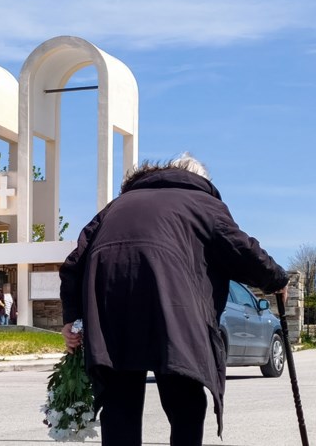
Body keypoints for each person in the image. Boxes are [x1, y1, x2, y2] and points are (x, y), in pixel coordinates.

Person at [59, 153, 288, 446]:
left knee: (120, 405)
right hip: (174, 310)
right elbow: (242, 249)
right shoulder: (202, 203)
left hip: (111, 312)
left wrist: (72, 318)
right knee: (185, 402)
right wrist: (276, 279)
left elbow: (74, 263)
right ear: (201, 179)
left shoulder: (115, 207)